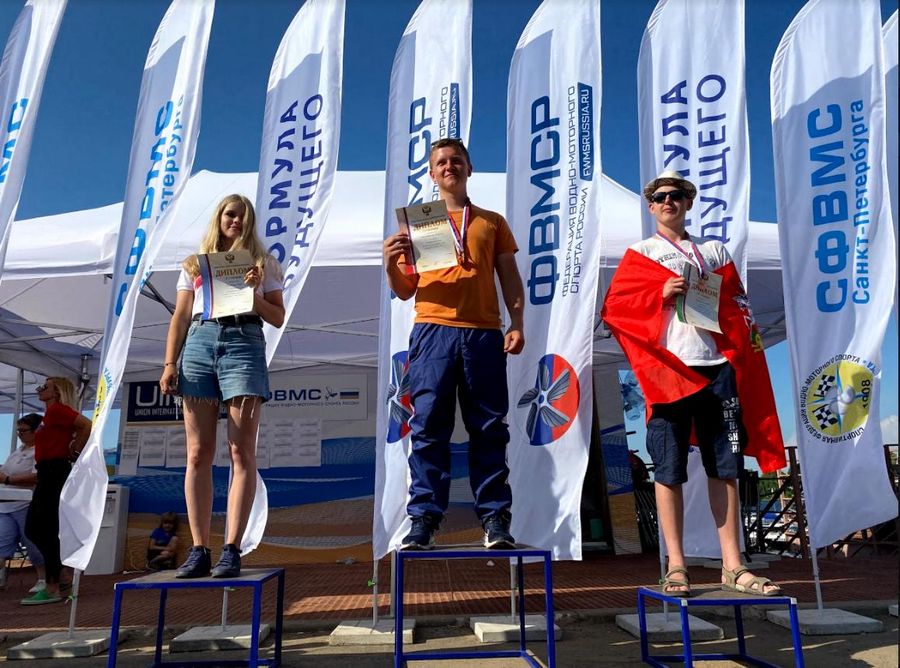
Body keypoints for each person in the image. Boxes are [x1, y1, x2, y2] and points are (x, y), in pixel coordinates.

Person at [601, 170, 785, 597]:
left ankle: (733, 565)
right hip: (670, 370)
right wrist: (659, 294)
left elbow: (739, 304)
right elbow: (615, 310)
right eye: (661, 196)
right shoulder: (641, 253)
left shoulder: (714, 250)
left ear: (688, 202)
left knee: (726, 467)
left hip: (717, 366)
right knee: (668, 469)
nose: (669, 201)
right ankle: (676, 565)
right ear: (651, 206)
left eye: (677, 195)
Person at [383, 138, 526, 550]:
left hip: (483, 331)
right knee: (428, 426)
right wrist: (390, 263)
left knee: (489, 428)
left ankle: (495, 518)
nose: (450, 167)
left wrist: (517, 322)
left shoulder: (492, 222)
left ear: (469, 168)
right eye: (442, 162)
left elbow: (509, 276)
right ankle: (424, 520)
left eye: (457, 160)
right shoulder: (418, 223)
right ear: (432, 174)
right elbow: (405, 289)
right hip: (433, 330)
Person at [160, 194, 285, 579]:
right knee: (198, 453)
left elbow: (277, 317)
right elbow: (181, 315)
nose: (236, 221)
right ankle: (199, 549)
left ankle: (232, 549)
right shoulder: (194, 264)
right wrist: (169, 363)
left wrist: (253, 295)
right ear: (219, 217)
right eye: (230, 214)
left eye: (243, 216)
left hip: (244, 342)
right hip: (200, 341)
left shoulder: (264, 263)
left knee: (240, 451)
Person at [23, 378, 92, 605]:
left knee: (38, 527)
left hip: (54, 470)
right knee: (42, 528)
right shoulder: (50, 415)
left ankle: (54, 584)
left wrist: (75, 448)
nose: (40, 389)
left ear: (57, 391)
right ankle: (60, 574)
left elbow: (86, 425)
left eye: (45, 386)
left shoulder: (57, 411)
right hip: (48, 471)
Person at [0, 414, 46, 594]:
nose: (20, 434)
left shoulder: (39, 451)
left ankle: (43, 578)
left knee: (33, 543)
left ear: (36, 431)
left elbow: (37, 477)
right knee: (1, 541)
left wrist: (8, 479)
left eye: (24, 431)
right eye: (18, 431)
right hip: (6, 505)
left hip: (27, 505)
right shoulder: (18, 451)